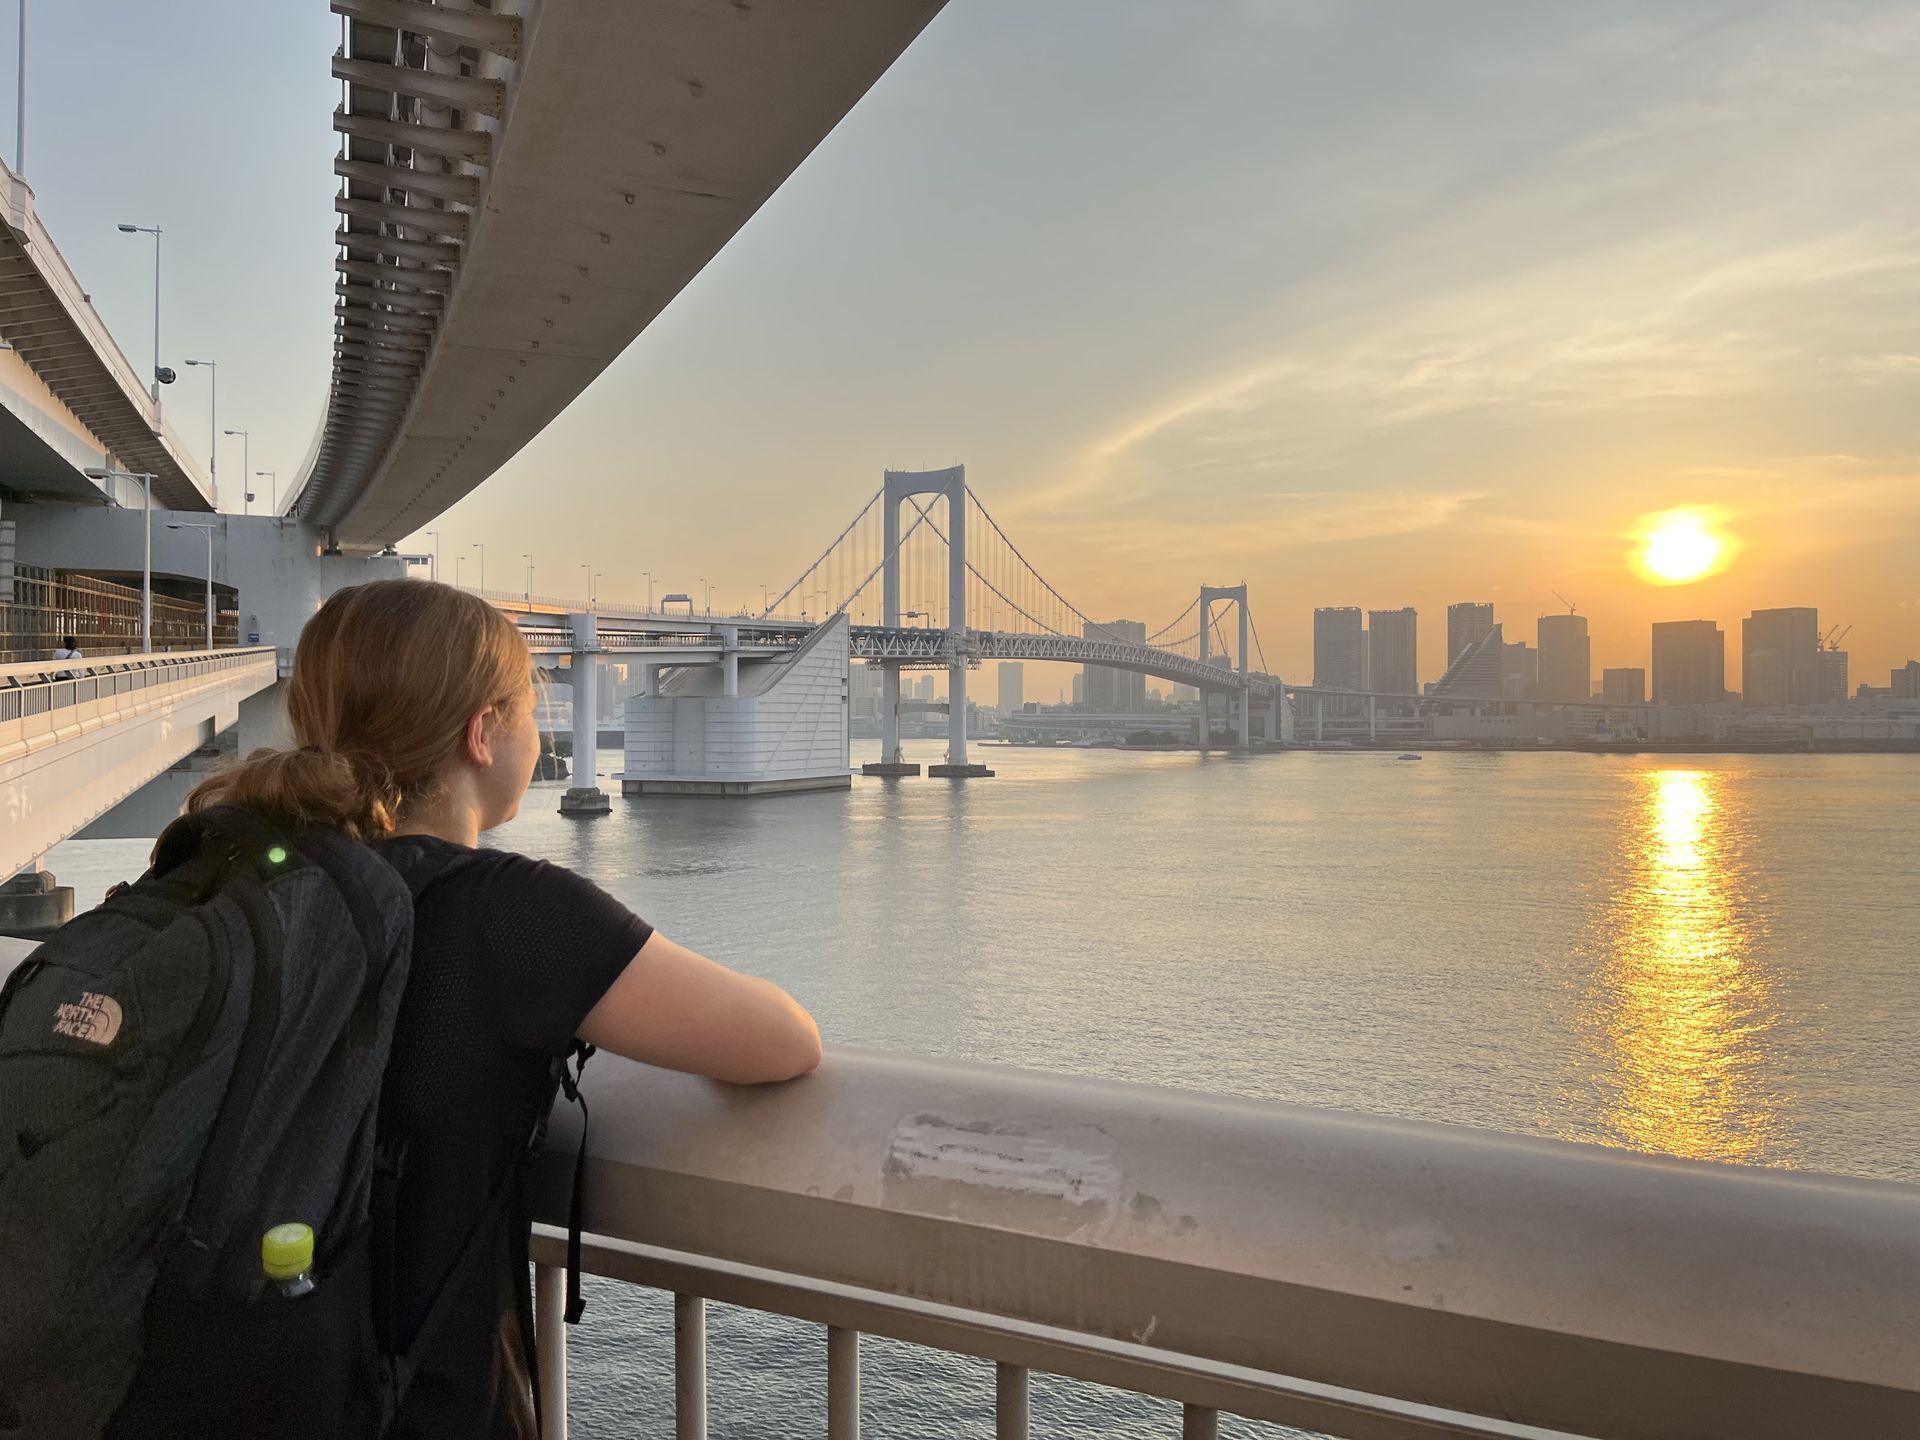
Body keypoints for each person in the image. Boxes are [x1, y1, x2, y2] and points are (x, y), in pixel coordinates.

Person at [181, 578, 822, 1437]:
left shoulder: (230, 878)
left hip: (201, 1387)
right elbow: (783, 1041)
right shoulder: (510, 913)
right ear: (483, 735)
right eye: (529, 707)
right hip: (408, 1408)